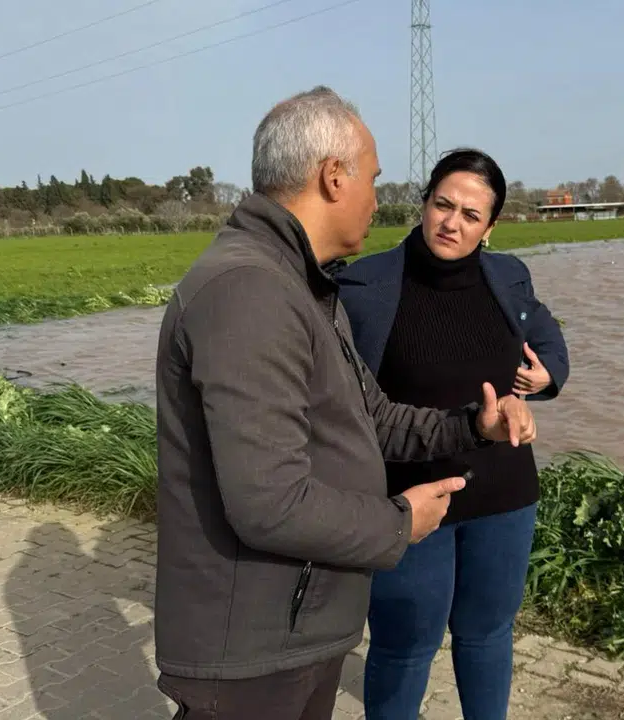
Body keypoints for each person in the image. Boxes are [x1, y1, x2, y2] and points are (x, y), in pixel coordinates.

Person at [152, 88, 538, 720]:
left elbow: (374, 418)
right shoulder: (250, 293)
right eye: (374, 179)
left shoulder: (298, 285)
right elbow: (268, 502)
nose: (376, 199)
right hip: (255, 641)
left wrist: (475, 424)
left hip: (295, 619)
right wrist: (396, 523)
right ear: (334, 177)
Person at [335, 148, 570, 719]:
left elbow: (548, 337)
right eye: (443, 204)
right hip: (409, 496)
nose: (452, 222)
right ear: (424, 204)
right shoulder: (364, 284)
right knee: (403, 644)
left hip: (504, 492)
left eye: (470, 215)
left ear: (490, 227)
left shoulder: (509, 278)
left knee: (487, 633)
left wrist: (549, 375)